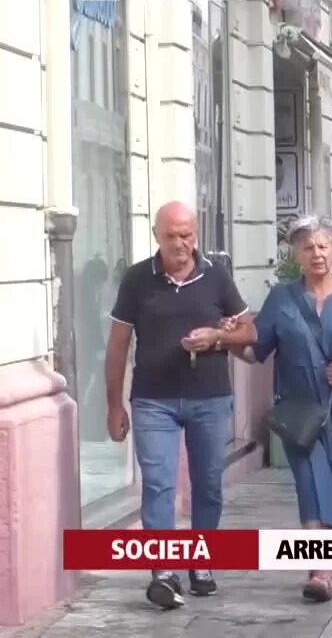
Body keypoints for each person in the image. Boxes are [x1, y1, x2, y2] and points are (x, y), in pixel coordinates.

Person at [104, 202, 256, 609]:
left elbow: (249, 332)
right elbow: (118, 345)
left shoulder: (216, 277)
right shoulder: (137, 279)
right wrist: (114, 405)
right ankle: (164, 572)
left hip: (210, 397)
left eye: (187, 234)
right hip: (153, 400)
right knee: (158, 484)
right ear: (157, 237)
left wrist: (217, 338)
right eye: (171, 235)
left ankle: (200, 563)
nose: (180, 243)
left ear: (196, 235)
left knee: (208, 484)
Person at [230, 215, 332, 602]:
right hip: (301, 412)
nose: (316, 253)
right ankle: (319, 569)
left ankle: (330, 561)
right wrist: (227, 341)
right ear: (295, 254)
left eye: (323, 246)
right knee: (311, 483)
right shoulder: (281, 299)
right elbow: (257, 349)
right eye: (308, 247)